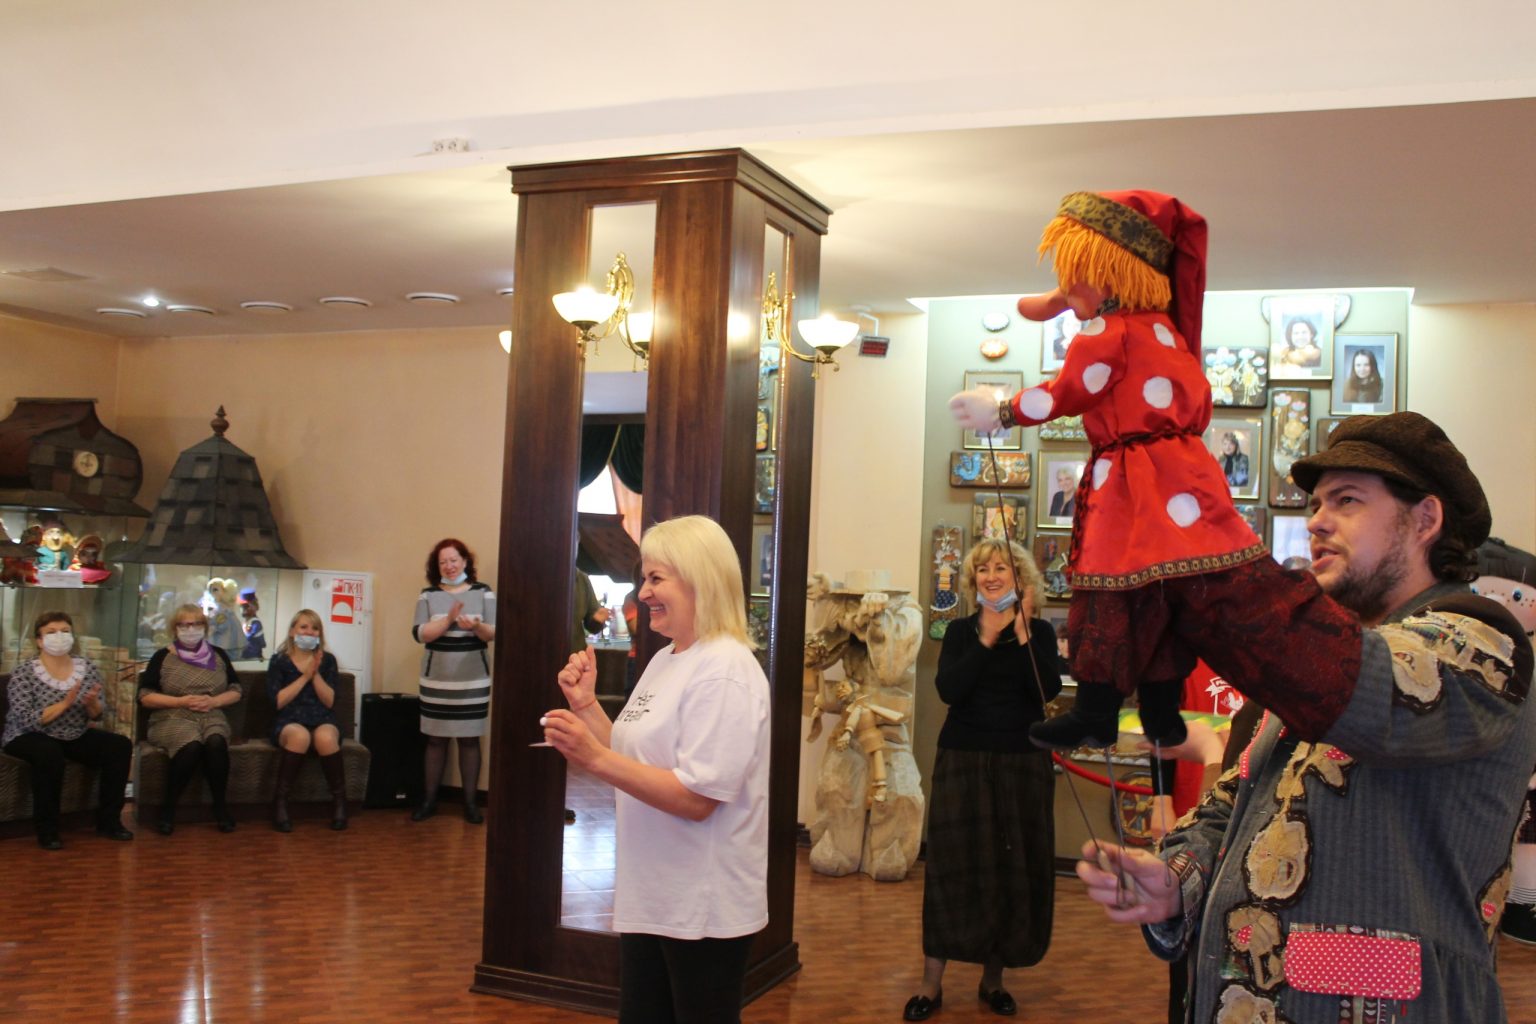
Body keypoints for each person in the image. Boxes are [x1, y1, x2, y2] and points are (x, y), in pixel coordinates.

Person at [1075, 412, 1536, 1022]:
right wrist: (1174, 879)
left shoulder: (1482, 644)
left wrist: (1194, 544)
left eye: (1347, 500)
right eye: (1315, 504)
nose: (1316, 520)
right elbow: (1235, 806)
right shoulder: (1322, 664)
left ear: (1425, 519)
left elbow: (1375, 688)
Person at [949, 189, 1267, 752]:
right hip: (1185, 477)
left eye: (1075, 273)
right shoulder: (1169, 332)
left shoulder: (1108, 332)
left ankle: (1095, 711)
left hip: (1128, 480)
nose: (1066, 289)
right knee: (1162, 593)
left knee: (1107, 595)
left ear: (1109, 271)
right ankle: (1162, 713)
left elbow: (1066, 391)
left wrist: (1001, 411)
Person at [542, 515, 770, 1024]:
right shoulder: (668, 657)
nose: (642, 593)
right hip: (655, 891)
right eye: (644, 578)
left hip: (702, 904)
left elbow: (697, 799)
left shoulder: (725, 670)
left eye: (656, 578)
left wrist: (593, 759)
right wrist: (587, 708)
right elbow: (635, 754)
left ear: (699, 579)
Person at [903, 539, 1062, 1021]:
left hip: (1022, 764)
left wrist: (1022, 632)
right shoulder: (959, 631)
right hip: (963, 760)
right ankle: (931, 985)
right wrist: (987, 638)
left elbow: (1046, 689)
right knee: (951, 869)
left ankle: (993, 982)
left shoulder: (1039, 633)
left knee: (1007, 872)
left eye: (1001, 568)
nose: (991, 576)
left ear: (1022, 578)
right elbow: (950, 689)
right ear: (973, 580)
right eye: (983, 569)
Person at [2, 611, 133, 849]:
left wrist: (91, 704)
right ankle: (48, 830)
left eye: (65, 631)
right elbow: (26, 719)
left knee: (119, 746)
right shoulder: (25, 672)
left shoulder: (86, 668)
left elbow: (98, 715)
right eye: (51, 632)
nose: (60, 637)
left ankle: (109, 821)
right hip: (28, 735)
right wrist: (64, 704)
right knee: (48, 753)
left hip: (73, 732)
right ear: (39, 640)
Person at [138, 602, 244, 835]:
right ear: (174, 628)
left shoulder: (219, 655)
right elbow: (145, 696)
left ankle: (220, 807)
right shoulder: (162, 657)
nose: (190, 629)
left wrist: (214, 702)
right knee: (191, 744)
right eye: (184, 625)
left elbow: (236, 690)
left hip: (211, 714)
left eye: (196, 624)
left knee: (215, 742)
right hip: (170, 716)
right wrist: (181, 701)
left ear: (204, 627)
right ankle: (168, 810)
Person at [411, 538, 496, 824]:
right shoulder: (428, 595)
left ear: (465, 561)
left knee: (470, 740)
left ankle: (470, 804)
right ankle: (429, 801)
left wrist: (477, 626)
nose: (449, 566)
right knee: (435, 740)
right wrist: (447, 620)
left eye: (453, 560)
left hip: (474, 681)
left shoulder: (483, 591)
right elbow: (420, 634)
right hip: (436, 681)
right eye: (443, 562)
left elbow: (493, 632)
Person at [268, 609, 348, 832]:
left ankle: (340, 802)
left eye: (315, 628)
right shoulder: (279, 661)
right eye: (303, 627)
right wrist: (304, 676)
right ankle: (280, 803)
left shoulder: (328, 660)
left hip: (322, 716)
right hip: (289, 719)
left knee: (325, 737)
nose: (309, 632)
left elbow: (330, 701)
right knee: (300, 736)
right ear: (292, 631)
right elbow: (278, 702)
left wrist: (315, 673)